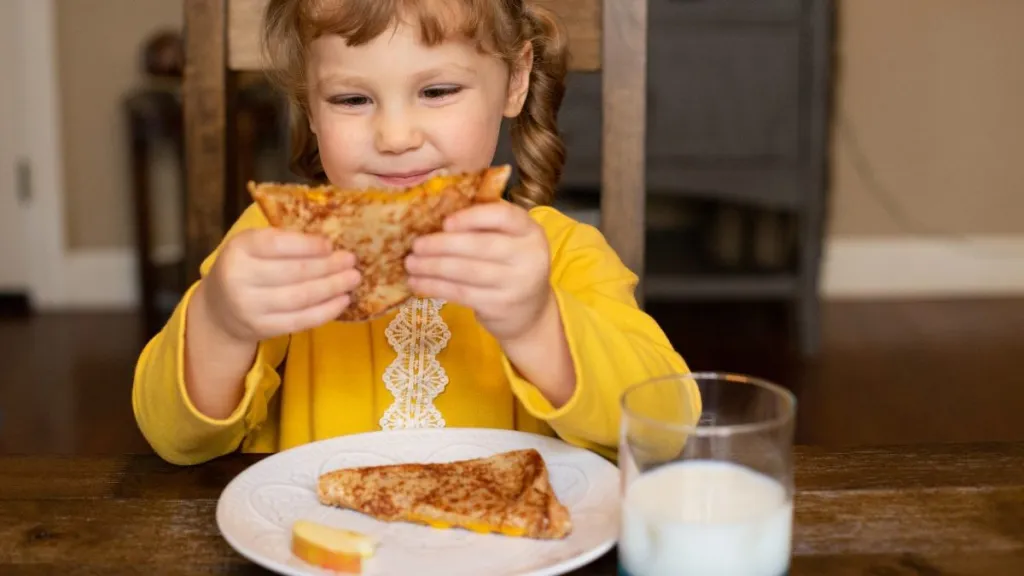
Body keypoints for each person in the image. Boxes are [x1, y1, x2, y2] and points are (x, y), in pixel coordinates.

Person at [132, 0, 698, 466]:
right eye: (351, 99)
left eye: (437, 91)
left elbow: (666, 427)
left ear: (515, 80)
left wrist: (537, 321)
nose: (396, 136)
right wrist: (223, 323)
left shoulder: (564, 255)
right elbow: (174, 439)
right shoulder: (277, 245)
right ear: (308, 105)